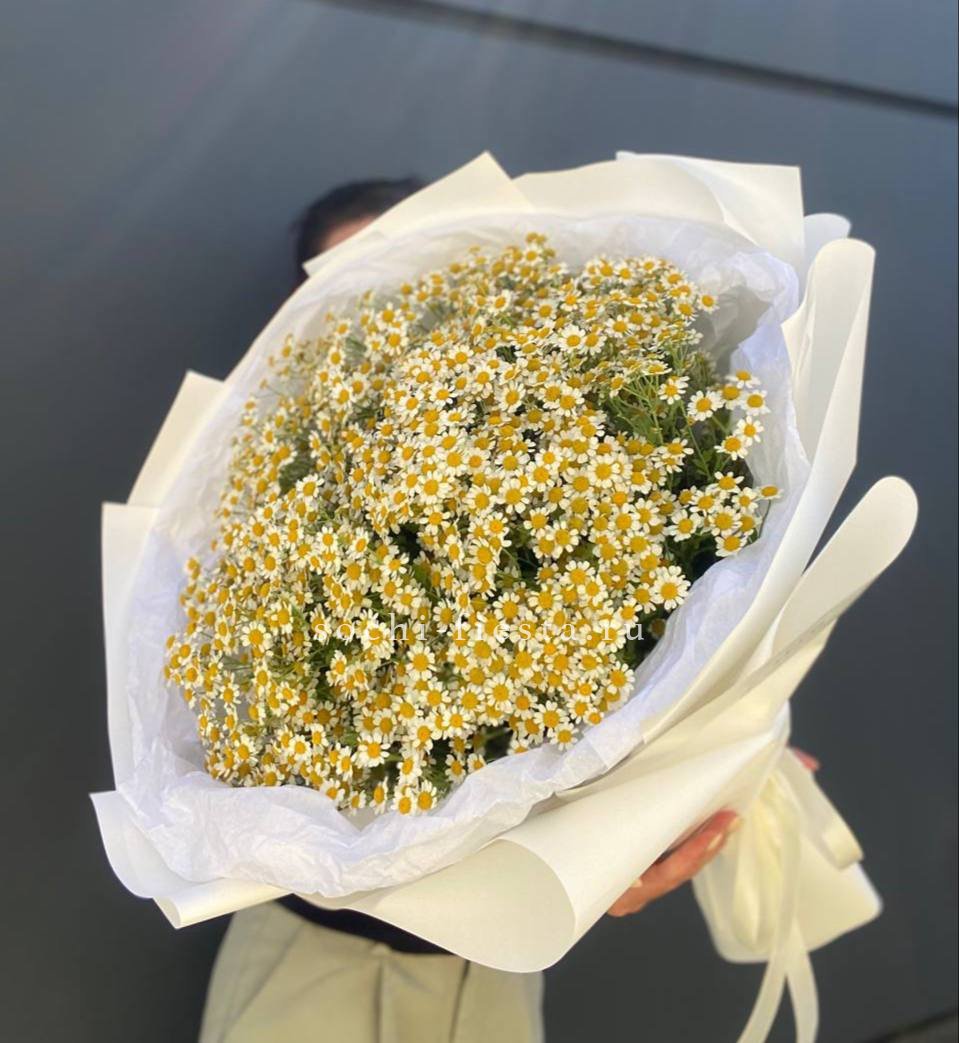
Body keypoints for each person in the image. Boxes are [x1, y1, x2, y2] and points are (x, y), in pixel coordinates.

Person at [198, 179, 800, 1042]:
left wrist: (703, 763)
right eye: (347, 287)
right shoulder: (267, 512)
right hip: (306, 958)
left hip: (489, 968)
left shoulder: (569, 427)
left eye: (408, 274)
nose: (385, 310)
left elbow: (679, 635)